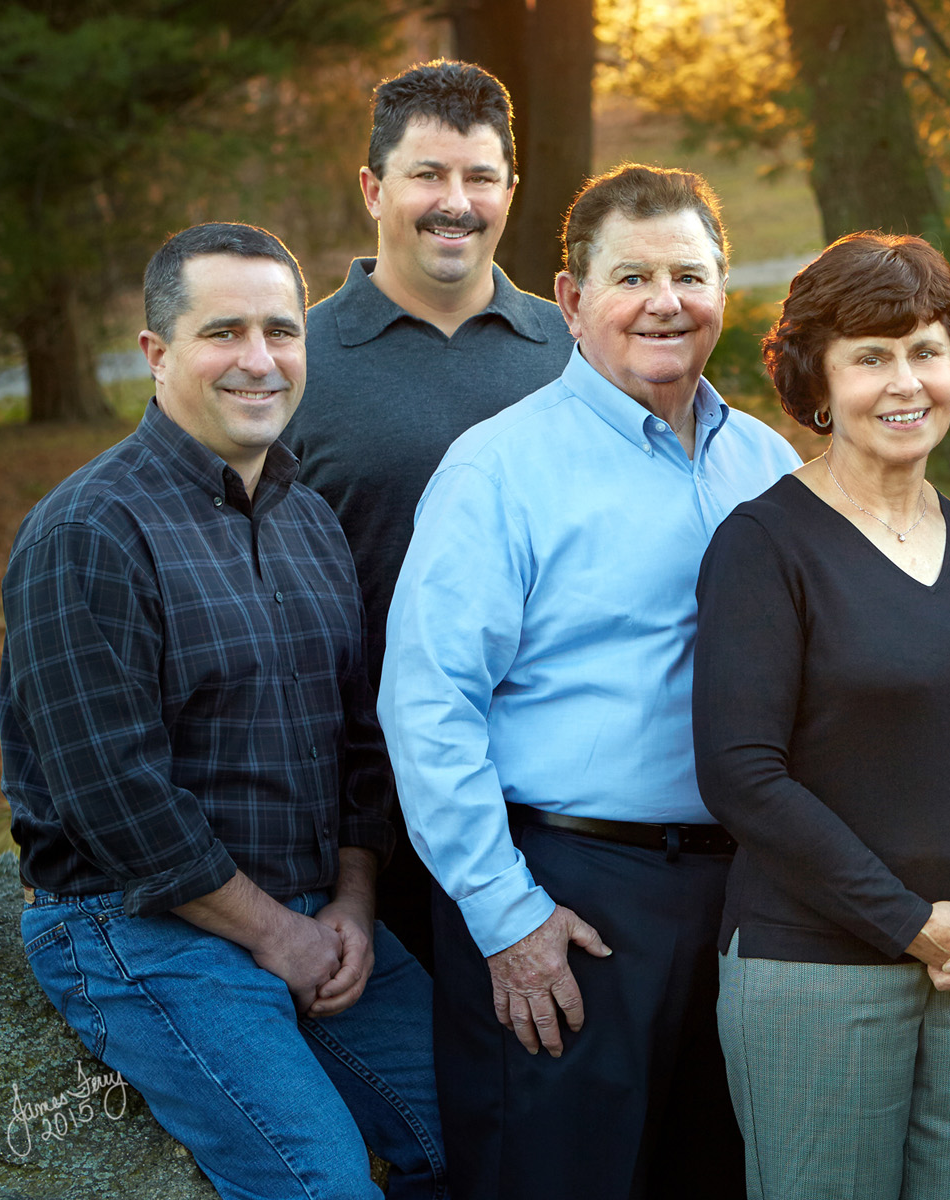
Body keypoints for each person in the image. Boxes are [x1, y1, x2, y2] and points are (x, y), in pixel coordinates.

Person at [378, 164, 802, 1200]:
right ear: (570, 301)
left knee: (721, 1174)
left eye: (690, 275)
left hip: (749, 898)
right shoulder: (499, 470)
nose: (665, 300)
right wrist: (507, 915)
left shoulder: (771, 466)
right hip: (569, 895)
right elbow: (427, 707)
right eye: (632, 276)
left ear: (722, 290)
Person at [0, 223, 446, 1199]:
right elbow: (111, 791)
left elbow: (359, 741)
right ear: (157, 354)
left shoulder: (309, 520)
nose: (259, 360)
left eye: (281, 333)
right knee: (319, 1182)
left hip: (312, 908)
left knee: (483, 1132)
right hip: (135, 919)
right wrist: (274, 936)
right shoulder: (88, 529)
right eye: (224, 333)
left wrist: (353, 907)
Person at [692, 232, 950, 1200]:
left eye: (924, 351)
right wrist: (909, 923)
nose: (904, 381)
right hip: (814, 974)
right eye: (869, 356)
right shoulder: (763, 546)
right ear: (816, 382)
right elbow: (742, 774)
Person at [283, 59, 573, 970]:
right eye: (427, 175)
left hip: (554, 801)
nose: (456, 203)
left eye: (479, 177)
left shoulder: (580, 352)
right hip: (357, 814)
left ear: (510, 192)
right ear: (373, 188)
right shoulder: (291, 363)